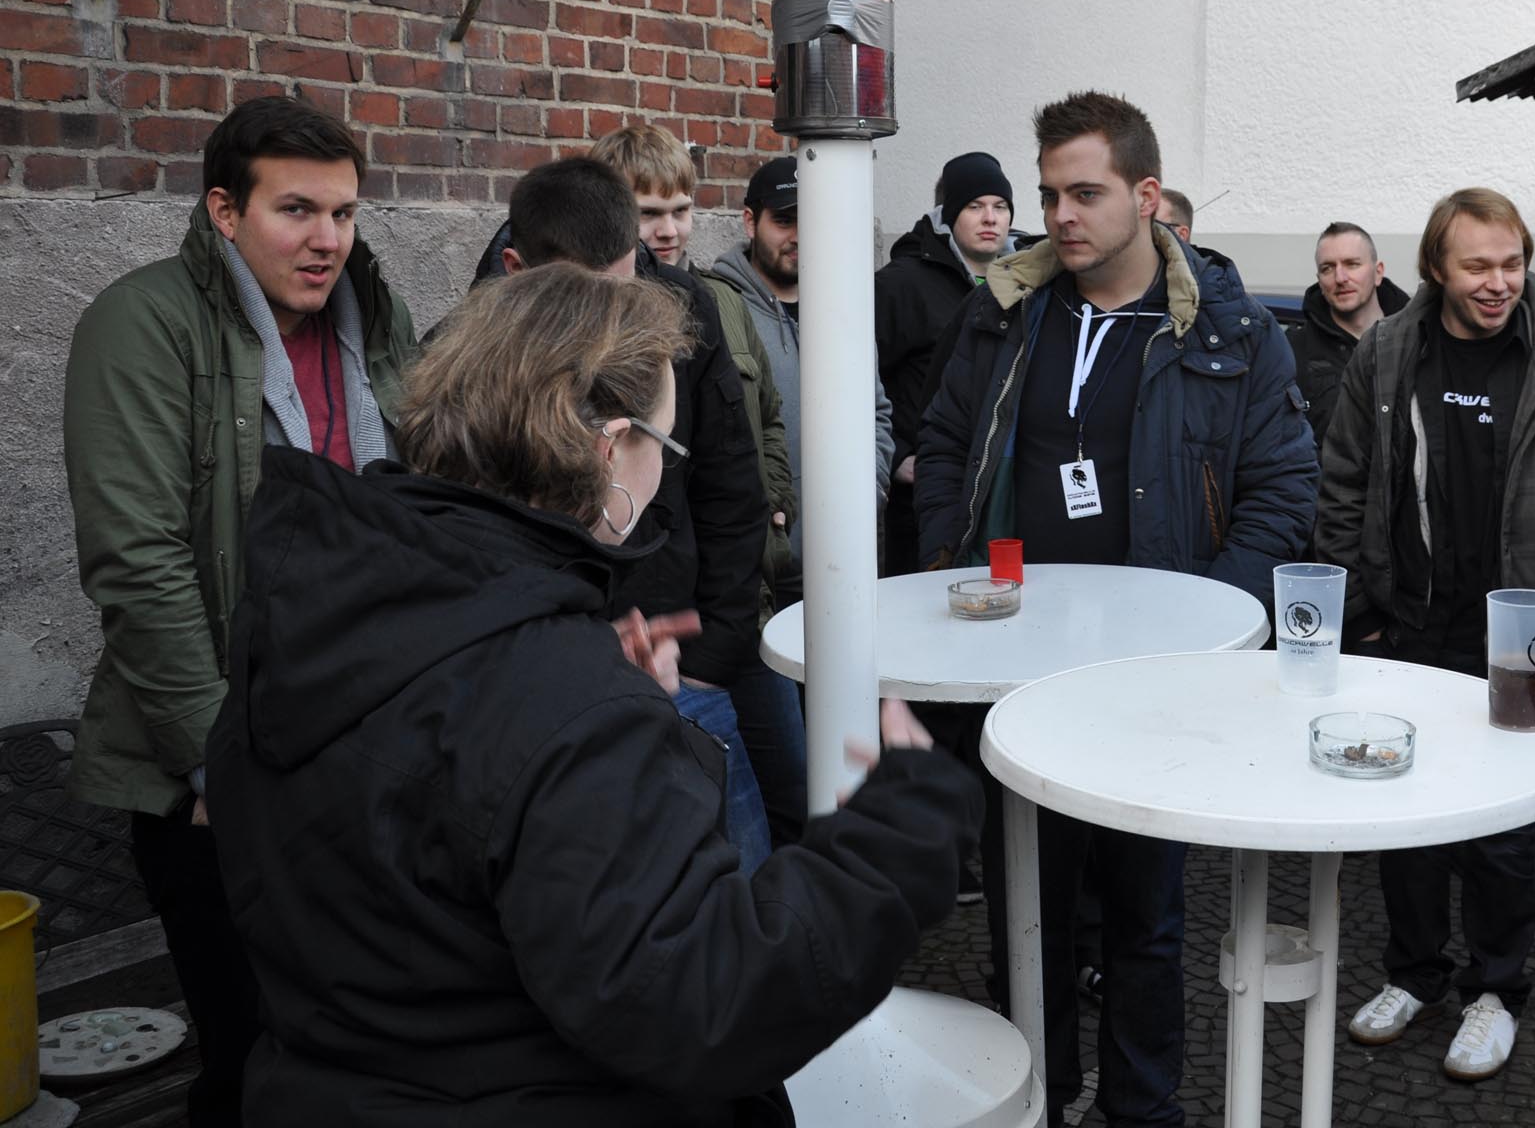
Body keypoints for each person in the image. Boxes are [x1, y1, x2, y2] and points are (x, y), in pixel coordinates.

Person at [204, 263, 979, 1126]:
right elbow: (700, 1002)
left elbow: (431, 816)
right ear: (611, 448)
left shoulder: (317, 603)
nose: (662, 477)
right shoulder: (562, 699)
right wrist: (896, 836)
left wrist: (595, 704)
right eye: (665, 449)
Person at [915, 90, 1319, 1127]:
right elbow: (946, 442)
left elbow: (1283, 487)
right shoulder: (1006, 309)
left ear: (1146, 196)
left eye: (1085, 193)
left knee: (1145, 910)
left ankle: (1141, 1109)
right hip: (1015, 666)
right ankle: (1038, 1097)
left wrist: (1207, 622)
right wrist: (949, 560)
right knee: (1027, 906)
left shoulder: (1229, 327)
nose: (1061, 215)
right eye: (1049, 193)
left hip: (1154, 676)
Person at [61, 95, 419, 1126]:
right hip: (223, 767)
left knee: (367, 1043)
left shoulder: (373, 319)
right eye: (295, 210)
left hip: (365, 744)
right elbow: (137, 563)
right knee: (255, 1058)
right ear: (225, 210)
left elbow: (414, 508)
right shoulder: (143, 323)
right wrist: (219, 759)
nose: (327, 240)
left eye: (344, 213)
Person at [1313, 187, 1535, 1080]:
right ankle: (1413, 974)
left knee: (1501, 832)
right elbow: (1343, 485)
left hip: (1519, 640)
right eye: (1477, 266)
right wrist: (1359, 618)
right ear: (1435, 269)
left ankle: (1496, 990)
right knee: (1406, 814)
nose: (1498, 283)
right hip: (1408, 627)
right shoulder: (1387, 354)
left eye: (1512, 263)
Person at [475, 157, 776, 869]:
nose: (608, 320)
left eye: (623, 289)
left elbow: (733, 488)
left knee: (742, 872)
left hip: (683, 662)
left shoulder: (686, 308)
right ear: (518, 270)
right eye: (583, 295)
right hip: (548, 687)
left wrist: (709, 658)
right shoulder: (476, 354)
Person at [590, 124, 808, 850]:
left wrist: (776, 503)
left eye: (681, 210)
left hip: (740, 599)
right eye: (648, 213)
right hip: (656, 628)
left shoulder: (709, 301)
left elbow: (754, 429)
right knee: (720, 832)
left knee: (795, 793)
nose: (669, 230)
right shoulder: (578, 312)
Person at [707, 155, 894, 606]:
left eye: (812, 219)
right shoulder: (720, 309)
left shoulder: (845, 303)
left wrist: (869, 493)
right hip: (765, 565)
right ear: (750, 222)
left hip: (849, 556)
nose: (800, 236)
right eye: (784, 220)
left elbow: (876, 412)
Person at [877, 151, 1015, 574]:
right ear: (948, 215)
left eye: (1000, 206)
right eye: (974, 206)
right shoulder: (902, 285)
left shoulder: (1022, 284)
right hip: (924, 496)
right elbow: (854, 378)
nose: (990, 218)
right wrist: (896, 456)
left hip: (997, 488)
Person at [1287, 221, 1410, 445]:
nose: (1340, 278)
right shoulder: (1293, 349)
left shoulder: (1417, 338)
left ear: (1378, 272)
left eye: (1352, 264)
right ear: (1319, 280)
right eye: (1328, 268)